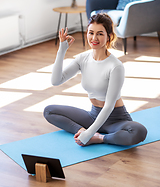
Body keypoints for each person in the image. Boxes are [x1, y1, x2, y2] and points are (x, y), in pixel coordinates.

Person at [43, 13, 147, 147]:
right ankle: (83, 131)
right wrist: (61, 51)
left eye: (100, 34)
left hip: (115, 119)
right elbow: (56, 81)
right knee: (49, 111)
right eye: (91, 33)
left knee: (139, 131)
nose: (94, 38)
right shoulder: (82, 59)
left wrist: (90, 135)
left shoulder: (115, 66)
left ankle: (100, 138)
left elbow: (109, 106)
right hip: (93, 115)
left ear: (109, 36)